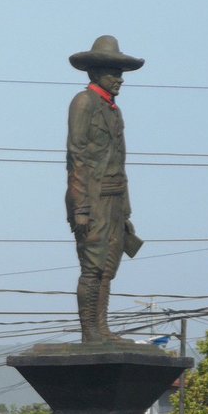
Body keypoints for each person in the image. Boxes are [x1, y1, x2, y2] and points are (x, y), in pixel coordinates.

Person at [66, 35, 145, 344]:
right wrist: (81, 208)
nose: (119, 79)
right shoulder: (83, 103)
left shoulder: (113, 110)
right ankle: (90, 331)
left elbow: (119, 162)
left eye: (121, 73)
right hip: (92, 199)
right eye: (113, 72)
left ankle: (102, 328)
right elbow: (77, 157)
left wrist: (125, 210)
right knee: (92, 266)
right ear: (95, 72)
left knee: (108, 267)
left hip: (114, 199)